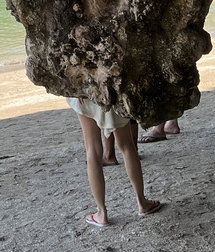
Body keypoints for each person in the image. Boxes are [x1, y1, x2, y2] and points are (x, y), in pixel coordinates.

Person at [69, 97, 162, 226]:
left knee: (93, 150)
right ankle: (142, 202)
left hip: (85, 94)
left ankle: (101, 212)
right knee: (127, 146)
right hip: (113, 92)